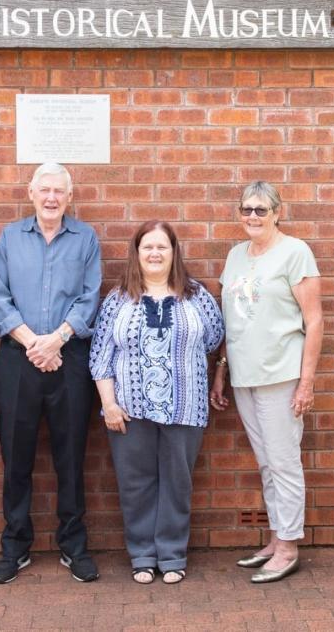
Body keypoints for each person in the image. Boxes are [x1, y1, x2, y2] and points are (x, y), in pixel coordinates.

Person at [89, 220, 224, 585]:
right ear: (136, 253)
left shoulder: (197, 296)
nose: (154, 253)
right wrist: (109, 403)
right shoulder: (118, 299)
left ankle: (172, 554)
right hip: (129, 408)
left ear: (175, 252)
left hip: (185, 405)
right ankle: (143, 556)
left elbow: (215, 341)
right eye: (147, 246)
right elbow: (100, 355)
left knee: (177, 482)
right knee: (136, 483)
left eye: (162, 247)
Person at [0, 162, 102, 584]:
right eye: (45, 190)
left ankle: (74, 545)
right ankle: (15, 546)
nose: (51, 198)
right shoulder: (10, 237)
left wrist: (55, 340)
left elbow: (90, 298)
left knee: (70, 457)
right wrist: (34, 342)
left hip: (69, 360)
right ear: (30, 192)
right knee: (16, 456)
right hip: (19, 360)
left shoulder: (85, 238)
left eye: (59, 191)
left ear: (69, 198)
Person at [210, 181, 323, 584]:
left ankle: (290, 546)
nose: (253, 217)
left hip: (281, 373)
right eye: (246, 209)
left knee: (284, 461)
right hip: (244, 376)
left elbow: (314, 321)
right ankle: (277, 538)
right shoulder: (236, 255)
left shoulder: (295, 252)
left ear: (278, 211)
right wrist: (221, 371)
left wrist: (306, 382)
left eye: (261, 209)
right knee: (266, 461)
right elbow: (231, 321)